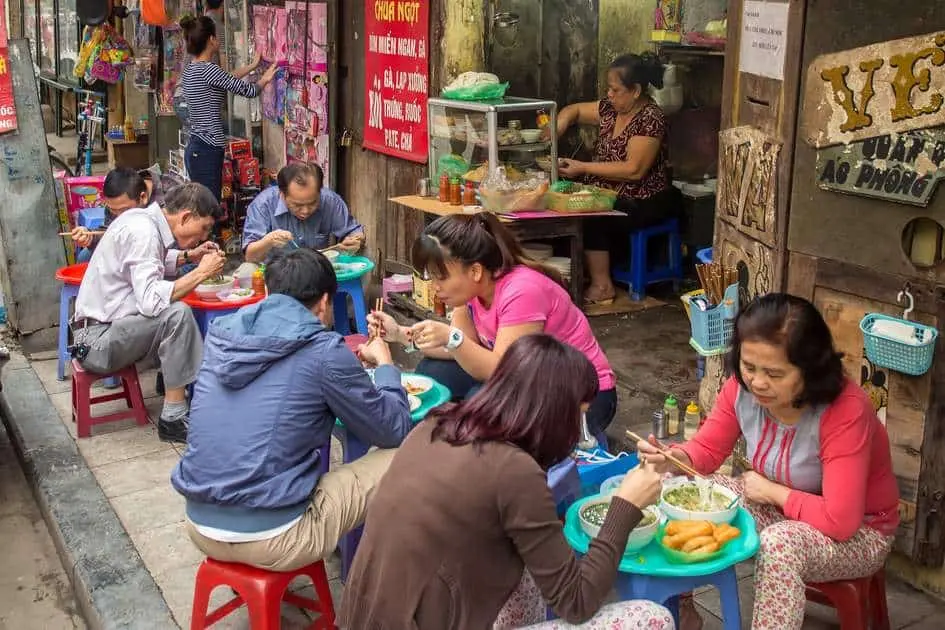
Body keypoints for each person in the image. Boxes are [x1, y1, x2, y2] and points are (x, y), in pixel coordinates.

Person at [340, 334, 673, 629]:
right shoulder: (514, 471)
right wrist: (624, 508)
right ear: (553, 412)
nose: (578, 430)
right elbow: (578, 602)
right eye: (579, 415)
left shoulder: (437, 423)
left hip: (367, 616)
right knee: (653, 618)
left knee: (528, 568)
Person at [636, 293, 900, 630]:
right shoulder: (740, 388)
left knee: (780, 545)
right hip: (780, 510)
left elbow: (841, 520)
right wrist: (674, 459)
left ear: (810, 370)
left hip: (859, 533)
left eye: (775, 373)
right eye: (749, 366)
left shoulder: (844, 411)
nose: (757, 382)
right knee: (680, 490)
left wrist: (775, 493)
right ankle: (681, 611)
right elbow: (708, 450)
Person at [171, 248, 413, 571]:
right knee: (408, 454)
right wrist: (385, 364)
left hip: (199, 524)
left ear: (269, 291)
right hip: (275, 538)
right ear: (326, 303)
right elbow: (393, 428)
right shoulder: (324, 349)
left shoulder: (223, 335)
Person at [368, 212, 618, 437]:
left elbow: (500, 369)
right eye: (431, 276)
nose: (434, 286)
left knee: (480, 402)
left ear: (475, 271)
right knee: (434, 371)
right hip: (527, 381)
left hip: (580, 394)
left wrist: (452, 338)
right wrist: (399, 334)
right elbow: (457, 351)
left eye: (440, 276)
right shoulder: (470, 294)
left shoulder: (522, 291)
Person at [71, 183, 226, 444]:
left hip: (97, 333)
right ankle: (173, 419)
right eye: (204, 228)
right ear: (186, 216)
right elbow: (151, 302)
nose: (203, 236)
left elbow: (150, 263)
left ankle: (169, 382)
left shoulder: (143, 220)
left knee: (176, 309)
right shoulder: (144, 231)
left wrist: (190, 256)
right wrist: (202, 272)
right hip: (96, 341)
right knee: (177, 314)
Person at [552, 53, 679, 305]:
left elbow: (634, 170)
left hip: (644, 198)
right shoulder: (610, 109)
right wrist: (557, 127)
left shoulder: (650, 118)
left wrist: (584, 168)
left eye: (615, 89)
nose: (609, 95)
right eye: (608, 89)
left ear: (635, 91)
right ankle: (579, 275)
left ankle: (602, 285)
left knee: (592, 215)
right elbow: (574, 110)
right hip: (609, 191)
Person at [179, 15, 278, 201]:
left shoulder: (192, 69)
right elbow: (249, 90)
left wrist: (252, 66)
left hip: (197, 147)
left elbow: (225, 78)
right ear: (211, 39)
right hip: (207, 148)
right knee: (209, 205)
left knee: (202, 203)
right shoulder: (208, 69)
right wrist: (265, 78)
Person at [72, 168, 217, 267]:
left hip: (177, 251)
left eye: (124, 210)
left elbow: (197, 227)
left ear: (143, 197)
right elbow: (112, 235)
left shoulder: (172, 190)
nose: (119, 217)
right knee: (86, 256)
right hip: (138, 255)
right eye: (113, 210)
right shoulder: (118, 205)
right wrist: (90, 238)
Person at [240, 162, 364, 266]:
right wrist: (268, 241)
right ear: (282, 194)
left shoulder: (329, 201)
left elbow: (353, 231)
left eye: (312, 203)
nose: (305, 211)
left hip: (317, 270)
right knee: (247, 270)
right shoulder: (263, 205)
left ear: (320, 191)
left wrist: (356, 240)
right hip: (275, 273)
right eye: (297, 205)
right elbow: (250, 256)